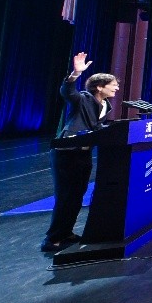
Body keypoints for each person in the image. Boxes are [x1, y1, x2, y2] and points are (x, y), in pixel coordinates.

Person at [44, 52, 120, 253]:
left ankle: (66, 232)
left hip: (84, 152)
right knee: (65, 195)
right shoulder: (84, 98)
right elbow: (67, 92)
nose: (117, 87)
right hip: (67, 152)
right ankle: (52, 238)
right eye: (113, 84)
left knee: (77, 194)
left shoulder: (106, 106)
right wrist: (75, 74)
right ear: (99, 87)